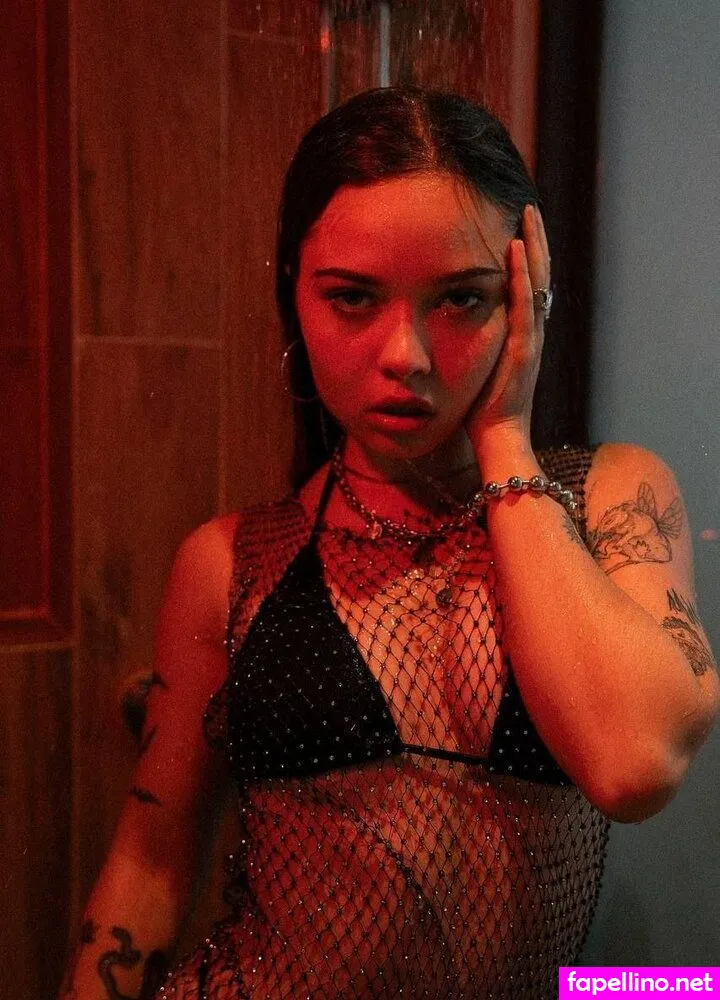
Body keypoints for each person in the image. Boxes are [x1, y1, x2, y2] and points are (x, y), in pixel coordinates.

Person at [59, 86, 719, 1000]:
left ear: (526, 298)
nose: (404, 353)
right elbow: (149, 865)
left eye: (462, 299)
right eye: (352, 297)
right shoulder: (231, 564)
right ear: (293, 295)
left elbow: (635, 764)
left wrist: (505, 440)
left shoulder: (610, 498)